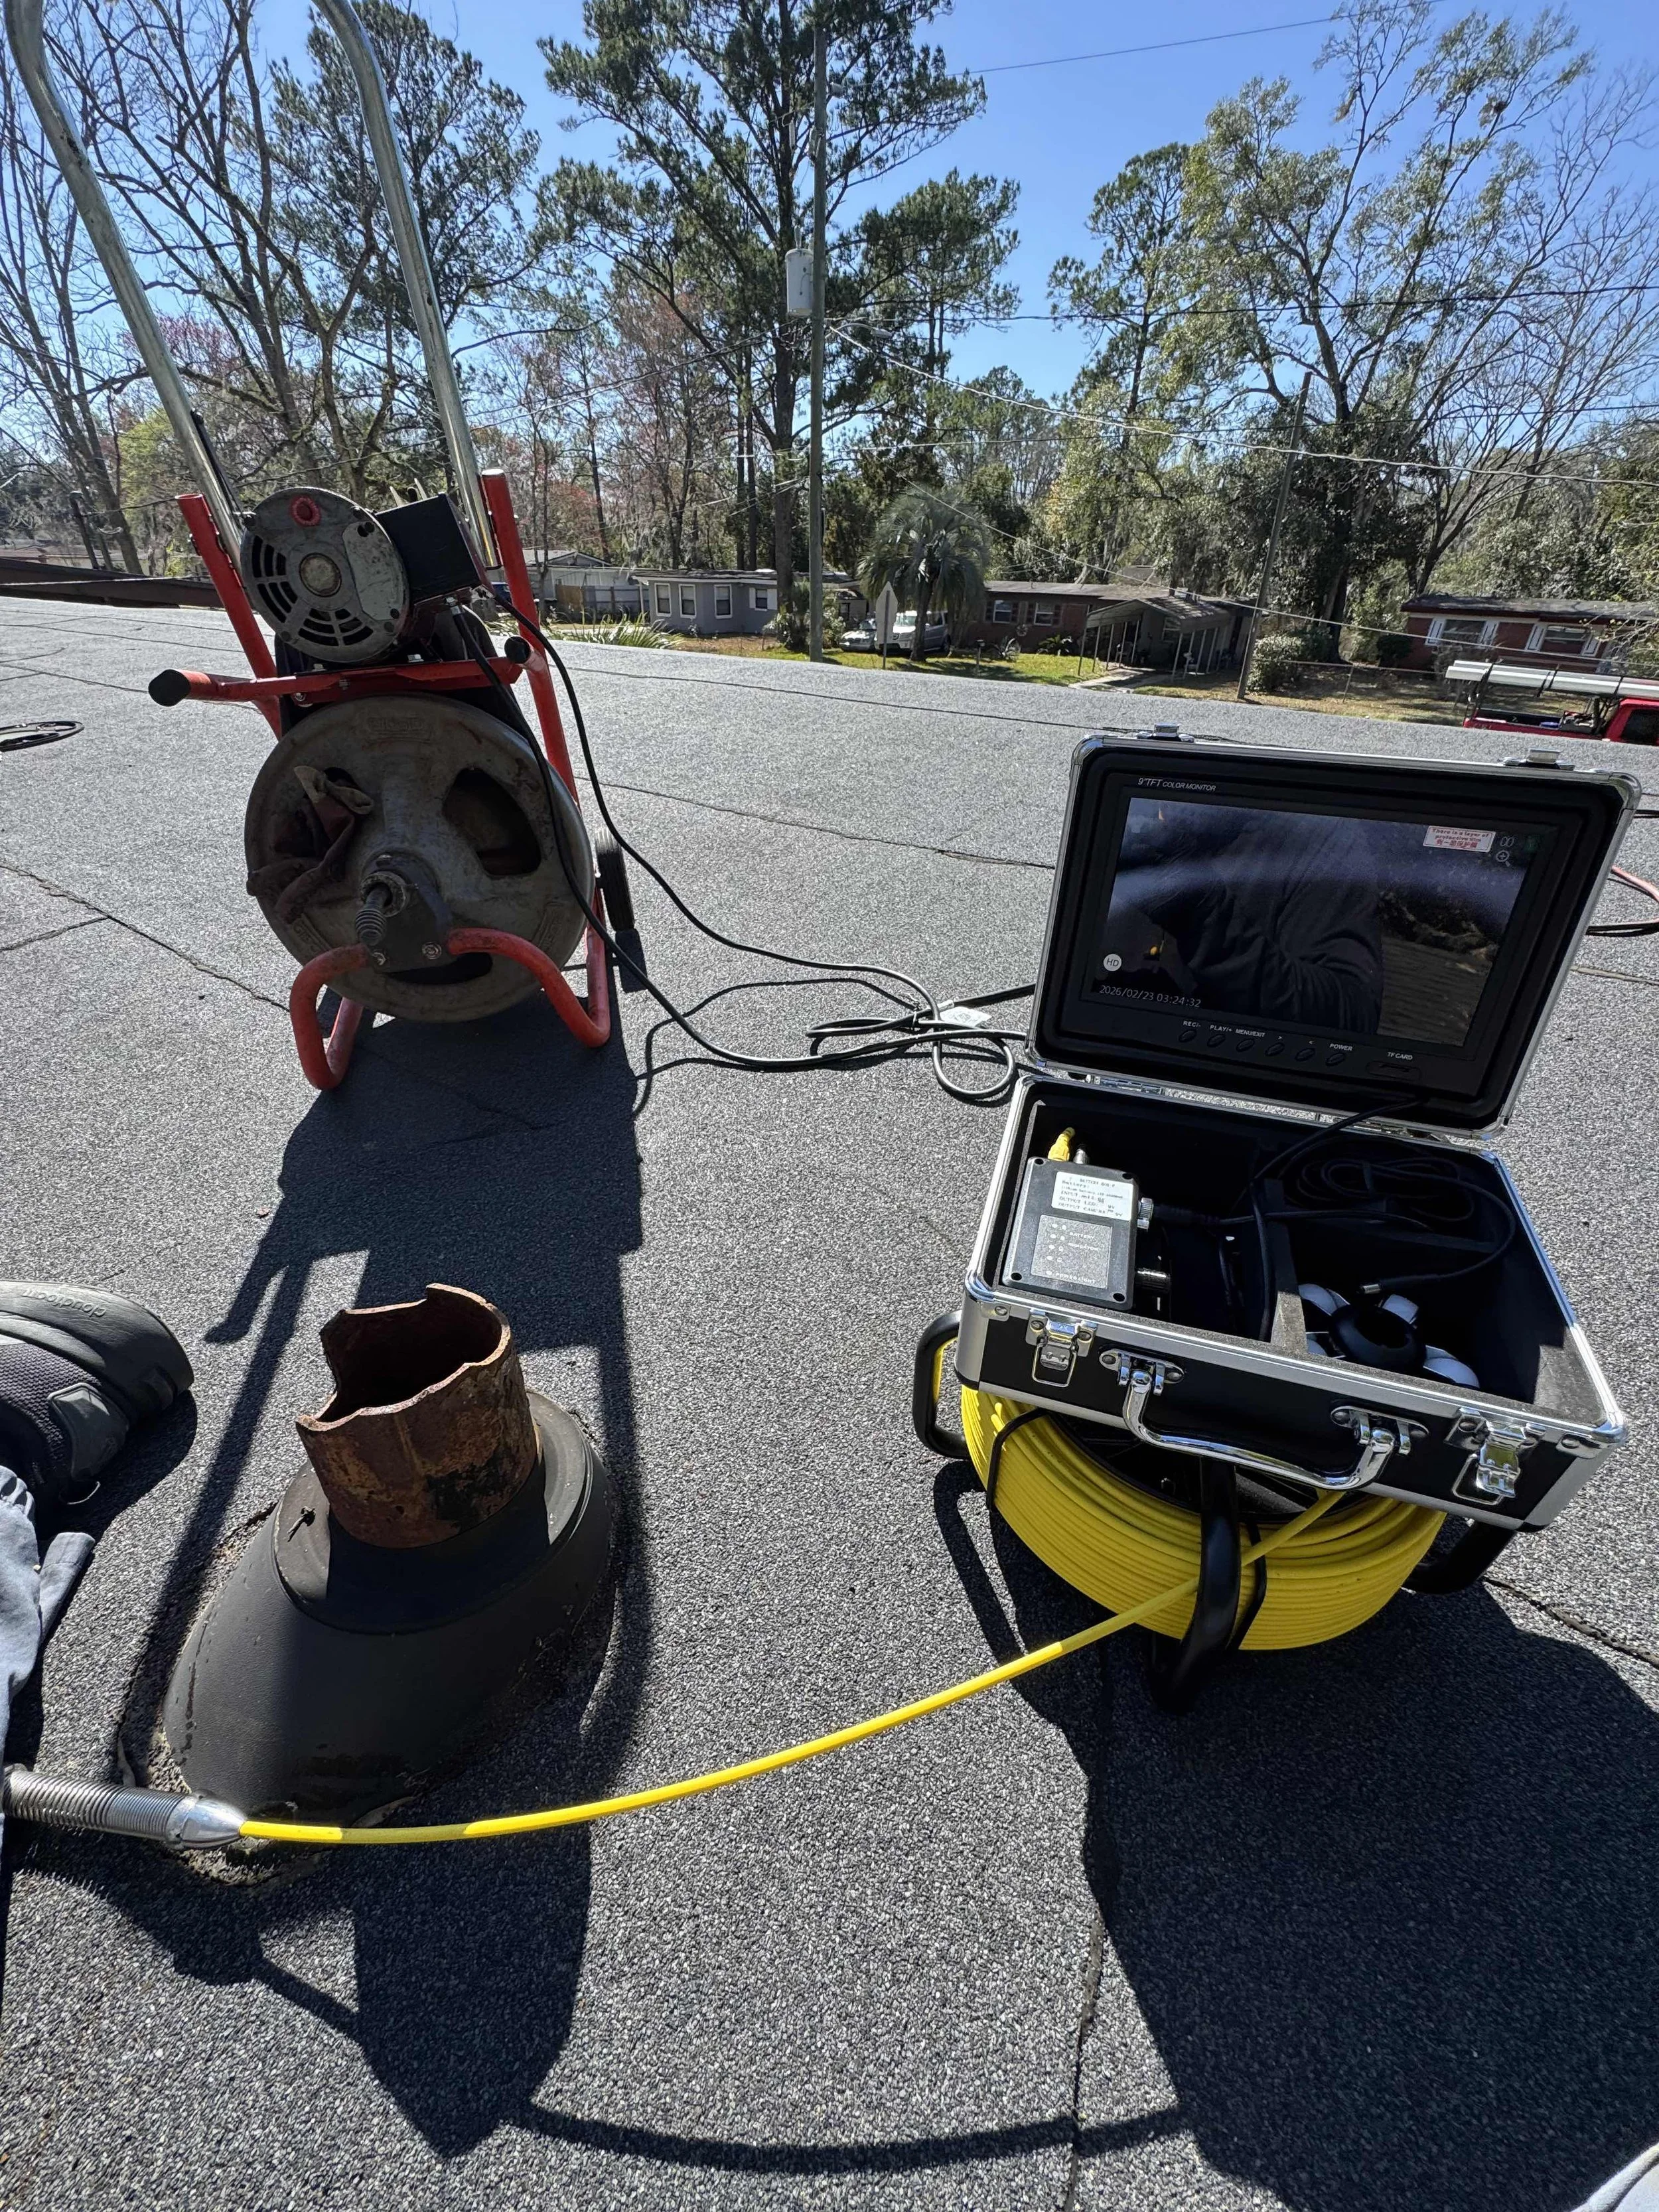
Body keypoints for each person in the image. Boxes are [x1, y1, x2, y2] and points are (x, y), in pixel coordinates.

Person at [1101, 799, 1385, 1033]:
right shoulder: (1115, 795)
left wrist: (1204, 920)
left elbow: (1352, 1022)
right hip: (1096, 1050)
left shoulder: (1320, 832)